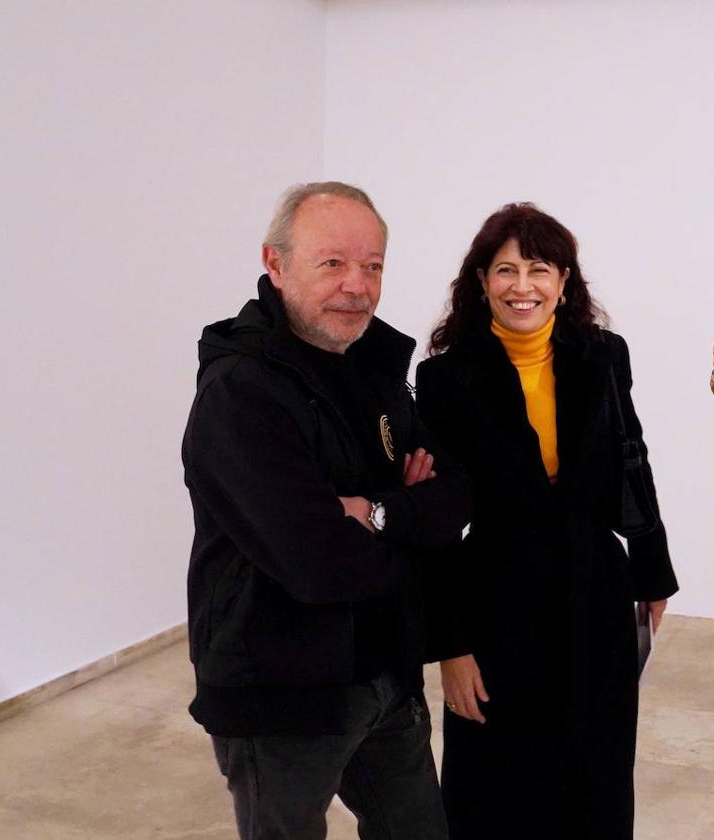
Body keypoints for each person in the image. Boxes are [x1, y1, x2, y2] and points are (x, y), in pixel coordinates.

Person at [181, 181, 471, 840]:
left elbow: (454, 492)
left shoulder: (373, 369)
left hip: (384, 675)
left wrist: (372, 513)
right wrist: (409, 514)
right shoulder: (240, 395)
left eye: (372, 266)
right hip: (279, 692)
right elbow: (318, 565)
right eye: (332, 263)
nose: (358, 286)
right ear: (275, 264)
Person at [415, 203, 678, 839]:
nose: (522, 286)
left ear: (564, 280)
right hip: (496, 595)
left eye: (539, 269)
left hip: (595, 587)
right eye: (505, 270)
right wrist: (450, 647)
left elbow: (630, 458)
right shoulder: (445, 377)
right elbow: (439, 525)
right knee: (496, 779)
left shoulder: (604, 356)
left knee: (597, 770)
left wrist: (652, 571)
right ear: (481, 282)